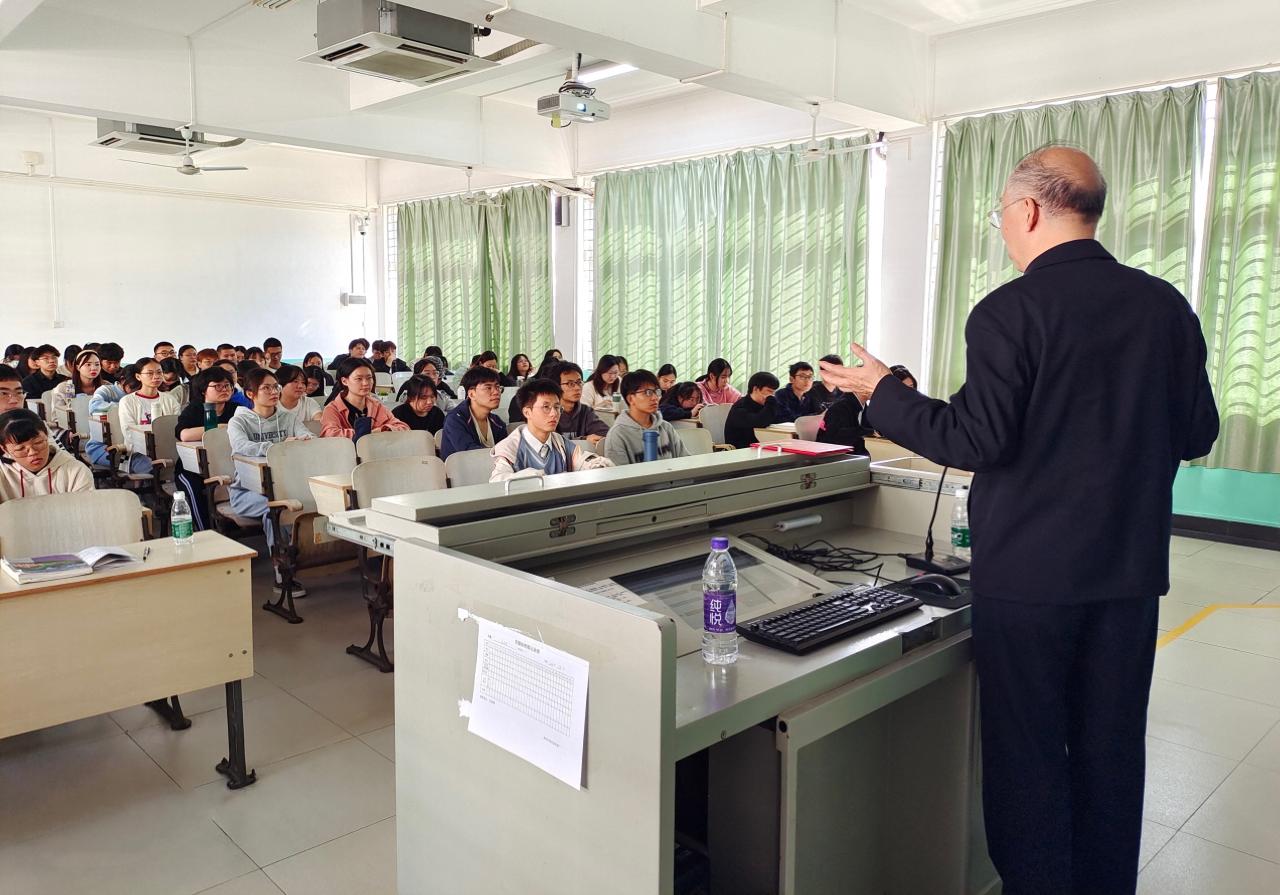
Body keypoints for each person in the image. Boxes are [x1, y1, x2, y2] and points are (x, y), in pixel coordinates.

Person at [818, 146, 1220, 895]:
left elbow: (976, 440)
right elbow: (1199, 431)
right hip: (1129, 575)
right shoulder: (1165, 304)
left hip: (1032, 582)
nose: (1002, 226)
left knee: (1029, 756)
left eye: (1000, 212)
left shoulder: (1010, 310)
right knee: (1111, 753)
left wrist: (881, 393)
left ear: (1029, 210)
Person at [228, 368, 315, 594]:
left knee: (296, 502)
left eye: (275, 386)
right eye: (266, 388)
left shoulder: (287, 418)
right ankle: (282, 573)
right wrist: (280, 447)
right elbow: (241, 447)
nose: (273, 392)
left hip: (286, 487)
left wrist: (303, 441)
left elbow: (310, 438)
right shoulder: (238, 421)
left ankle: (308, 559)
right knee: (274, 509)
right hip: (246, 493)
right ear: (250, 394)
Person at [490, 379, 614, 482]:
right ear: (527, 412)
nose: (554, 413)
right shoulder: (510, 448)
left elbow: (581, 461)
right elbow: (497, 481)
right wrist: (526, 478)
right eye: (546, 407)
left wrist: (596, 465)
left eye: (557, 407)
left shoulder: (560, 442)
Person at [173, 366, 239, 531]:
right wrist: (220, 427)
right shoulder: (194, 409)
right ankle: (206, 532)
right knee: (194, 490)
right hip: (192, 468)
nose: (224, 390)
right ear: (203, 390)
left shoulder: (236, 410)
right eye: (217, 386)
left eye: (227, 386)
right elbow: (184, 435)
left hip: (229, 464)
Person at [0, 409, 94, 499]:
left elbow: (84, 508)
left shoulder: (75, 471)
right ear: (4, 449)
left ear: (47, 436)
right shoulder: (3, 474)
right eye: (20, 449)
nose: (32, 453)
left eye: (38, 443)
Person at [603, 370, 689, 465]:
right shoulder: (617, 435)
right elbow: (619, 473)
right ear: (631, 399)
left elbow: (685, 462)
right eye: (648, 392)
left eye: (656, 392)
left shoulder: (666, 427)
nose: (655, 398)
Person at [117, 357, 182, 474]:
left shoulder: (170, 399)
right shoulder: (127, 401)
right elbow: (128, 433)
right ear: (138, 376)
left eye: (159, 372)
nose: (156, 377)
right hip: (134, 452)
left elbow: (177, 426)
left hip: (168, 450)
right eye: (150, 373)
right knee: (157, 468)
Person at [320, 356, 408, 440]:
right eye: (359, 379)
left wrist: (383, 430)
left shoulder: (376, 405)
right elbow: (329, 434)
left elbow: (403, 427)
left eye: (369, 378)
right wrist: (368, 434)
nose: (366, 383)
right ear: (344, 381)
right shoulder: (333, 409)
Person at [440, 365, 507, 459]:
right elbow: (470, 454)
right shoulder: (455, 420)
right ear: (471, 394)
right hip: (463, 467)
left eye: (497, 387)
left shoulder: (498, 422)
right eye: (488, 388)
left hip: (492, 467)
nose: (496, 392)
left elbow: (506, 452)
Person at [50, 349, 103, 446]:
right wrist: (68, 432)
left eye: (97, 364)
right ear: (78, 367)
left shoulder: (106, 387)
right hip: (71, 433)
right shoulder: (65, 387)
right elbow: (56, 418)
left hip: (101, 432)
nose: (93, 368)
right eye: (88, 364)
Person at [550, 362, 609, 446]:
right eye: (570, 384)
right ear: (556, 386)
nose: (577, 388)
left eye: (579, 382)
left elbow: (605, 433)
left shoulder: (585, 411)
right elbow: (551, 442)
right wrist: (583, 440)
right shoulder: (550, 412)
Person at [723, 372, 780, 449]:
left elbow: (778, 421)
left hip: (761, 448)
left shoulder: (764, 406)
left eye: (774, 392)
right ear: (755, 389)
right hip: (740, 451)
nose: (772, 395)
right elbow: (760, 422)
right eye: (769, 391)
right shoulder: (739, 408)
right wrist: (771, 402)